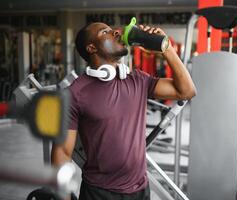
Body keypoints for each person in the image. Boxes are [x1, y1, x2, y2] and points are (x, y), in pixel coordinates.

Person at [51, 22, 196, 200]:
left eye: (114, 30)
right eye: (106, 32)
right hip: (99, 193)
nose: (117, 33)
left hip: (140, 190)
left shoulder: (137, 79)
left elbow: (187, 91)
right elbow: (62, 153)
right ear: (91, 48)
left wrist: (165, 48)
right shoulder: (74, 94)